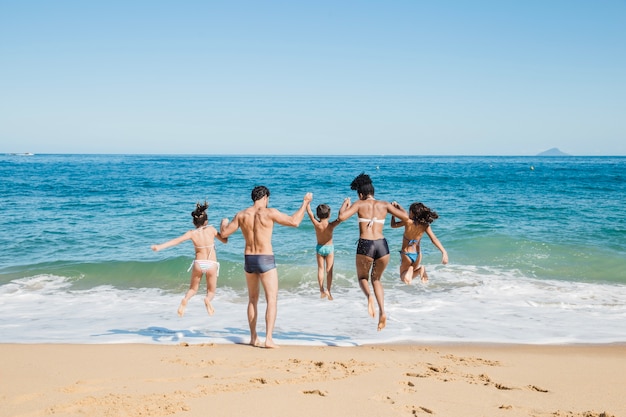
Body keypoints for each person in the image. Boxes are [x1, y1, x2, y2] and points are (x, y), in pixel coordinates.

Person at [220, 186, 313, 348]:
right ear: (265, 198)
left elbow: (224, 234)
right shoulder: (269, 212)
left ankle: (253, 337)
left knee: (252, 300)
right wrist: (305, 203)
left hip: (249, 258)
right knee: (271, 299)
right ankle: (268, 339)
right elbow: (295, 221)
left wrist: (223, 223)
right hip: (266, 258)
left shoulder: (242, 215)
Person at [337, 173, 409, 331]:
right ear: (373, 192)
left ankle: (369, 296)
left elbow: (341, 217)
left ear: (361, 194)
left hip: (366, 245)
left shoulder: (359, 204)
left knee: (363, 277)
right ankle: (383, 311)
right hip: (382, 246)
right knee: (376, 279)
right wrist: (398, 207)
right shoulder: (384, 204)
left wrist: (345, 204)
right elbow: (406, 218)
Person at [151, 201, 228, 317]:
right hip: (211, 263)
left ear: (194, 222)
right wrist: (224, 225)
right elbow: (225, 241)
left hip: (198, 263)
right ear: (206, 221)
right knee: (211, 292)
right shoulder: (211, 230)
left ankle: (186, 300)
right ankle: (207, 300)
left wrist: (159, 247)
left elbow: (177, 241)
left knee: (193, 289)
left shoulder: (192, 233)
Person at [391, 202, 449, 284]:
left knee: (403, 277)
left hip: (406, 254)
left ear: (412, 212)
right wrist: (444, 252)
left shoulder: (408, 222)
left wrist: (393, 213)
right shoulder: (425, 225)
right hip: (417, 254)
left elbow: (393, 225)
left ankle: (410, 269)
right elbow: (434, 239)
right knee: (410, 277)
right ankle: (420, 270)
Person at [306, 203, 341, 300]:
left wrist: (307, 202)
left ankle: (321, 290)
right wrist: (345, 204)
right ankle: (328, 290)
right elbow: (341, 217)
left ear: (317, 215)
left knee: (320, 269)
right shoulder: (331, 225)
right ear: (329, 215)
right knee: (329, 271)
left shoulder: (316, 224)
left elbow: (309, 212)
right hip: (329, 248)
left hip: (319, 248)